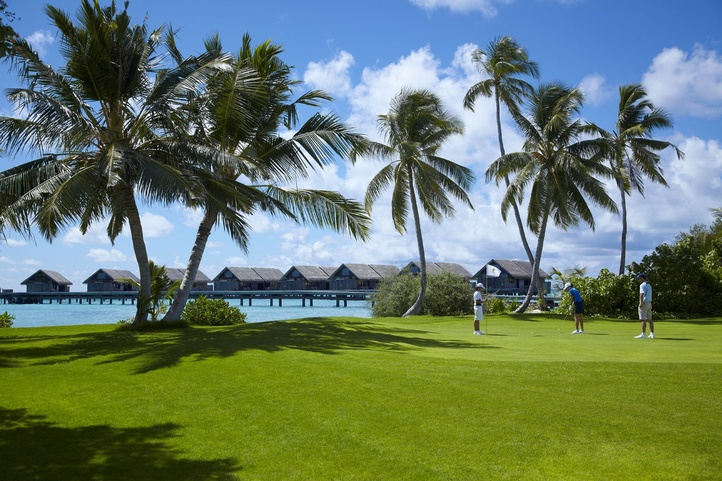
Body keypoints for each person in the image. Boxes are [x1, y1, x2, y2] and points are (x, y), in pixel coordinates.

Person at [635, 273, 654, 339]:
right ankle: (652, 334)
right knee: (650, 319)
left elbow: (641, 294)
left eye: (639, 278)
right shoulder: (649, 285)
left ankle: (643, 334)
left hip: (644, 303)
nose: (638, 280)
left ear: (642, 278)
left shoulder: (642, 285)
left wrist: (641, 303)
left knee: (643, 319)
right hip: (649, 303)